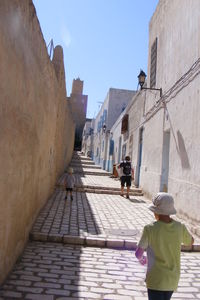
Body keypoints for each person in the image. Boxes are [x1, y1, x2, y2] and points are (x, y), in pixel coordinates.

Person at [135, 192, 194, 300]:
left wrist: (142, 259)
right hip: (172, 279)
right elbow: (190, 242)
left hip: (155, 279)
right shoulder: (180, 227)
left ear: (156, 212)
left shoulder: (149, 228)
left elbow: (138, 253)